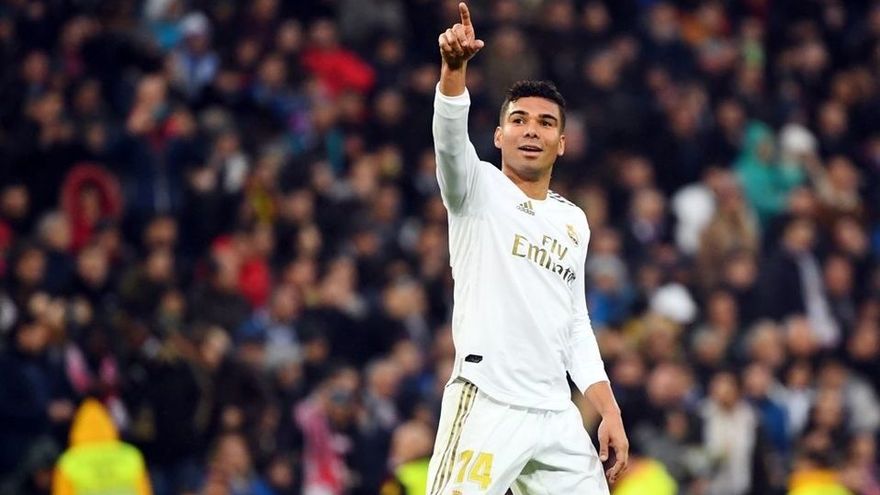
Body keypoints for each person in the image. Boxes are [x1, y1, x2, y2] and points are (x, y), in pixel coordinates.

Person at [427, 3, 629, 494]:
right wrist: (453, 71)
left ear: (562, 142)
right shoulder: (476, 188)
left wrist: (608, 409)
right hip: (488, 400)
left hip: (556, 413)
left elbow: (574, 323)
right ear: (499, 136)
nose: (532, 130)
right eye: (519, 120)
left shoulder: (573, 222)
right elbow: (450, 143)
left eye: (545, 122)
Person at [51, 398, 152, 495]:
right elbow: (144, 491)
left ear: (77, 427)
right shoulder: (131, 456)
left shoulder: (69, 462)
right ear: (108, 424)